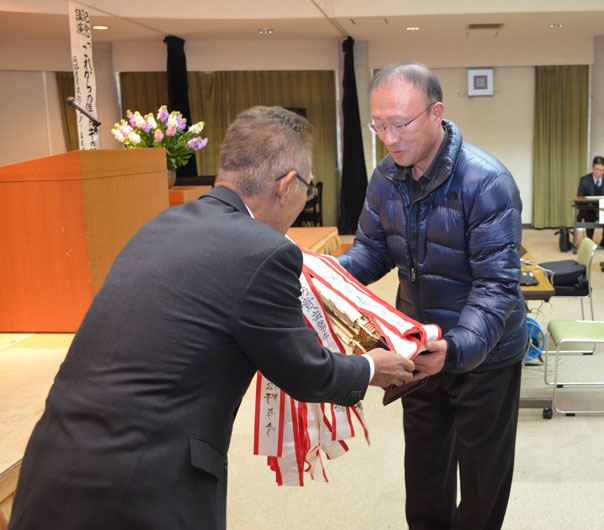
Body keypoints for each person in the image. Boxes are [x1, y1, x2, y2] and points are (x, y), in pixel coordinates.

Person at [8, 106, 415, 530]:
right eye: (308, 190)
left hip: (54, 466)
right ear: (287, 185)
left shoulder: (162, 224)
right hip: (140, 488)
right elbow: (307, 373)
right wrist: (372, 366)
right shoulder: (263, 251)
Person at [337, 63, 526, 530]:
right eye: (378, 125)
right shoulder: (386, 175)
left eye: (399, 124)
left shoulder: (486, 182)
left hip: (485, 352)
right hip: (416, 347)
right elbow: (372, 249)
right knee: (423, 476)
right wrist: (326, 276)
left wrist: (458, 348)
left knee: (482, 481)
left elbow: (497, 286)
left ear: (436, 112)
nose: (389, 137)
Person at [577, 155, 604, 247]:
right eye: (597, 169)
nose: (599, 172)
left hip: (603, 208)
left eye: (602, 170)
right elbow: (579, 197)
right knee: (590, 214)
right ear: (593, 167)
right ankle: (589, 240)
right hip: (589, 207)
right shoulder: (584, 180)